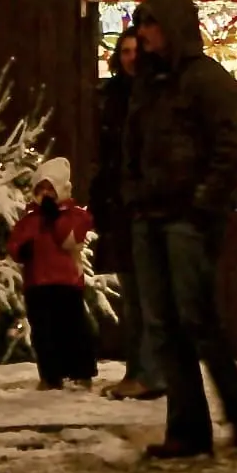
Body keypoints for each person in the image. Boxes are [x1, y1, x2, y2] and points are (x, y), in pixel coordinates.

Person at [123, 0, 237, 458]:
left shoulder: (206, 82)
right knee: (165, 326)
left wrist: (203, 205)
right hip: (154, 215)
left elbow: (228, 152)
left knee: (196, 320)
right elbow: (134, 147)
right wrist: (135, 194)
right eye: (142, 24)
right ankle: (187, 429)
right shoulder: (150, 83)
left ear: (174, 27)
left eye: (152, 24)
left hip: (186, 218)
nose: (143, 33)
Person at [91, 28, 166, 401]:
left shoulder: (155, 95)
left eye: (136, 50)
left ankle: (149, 372)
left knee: (146, 296)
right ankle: (137, 370)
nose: (130, 57)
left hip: (145, 205)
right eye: (124, 50)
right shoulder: (115, 97)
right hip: (123, 205)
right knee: (134, 294)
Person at [9, 158, 99, 389]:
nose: (46, 194)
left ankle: (81, 372)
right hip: (37, 283)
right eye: (41, 189)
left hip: (66, 281)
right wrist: (22, 249)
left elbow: (70, 241)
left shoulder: (75, 216)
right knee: (43, 332)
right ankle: (50, 375)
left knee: (73, 328)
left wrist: (55, 220)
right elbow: (15, 245)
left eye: (51, 189)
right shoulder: (29, 219)